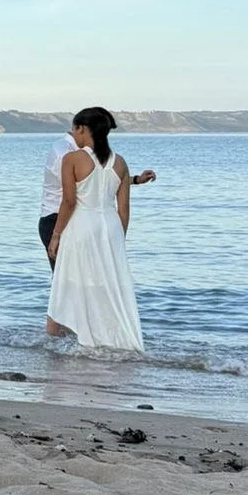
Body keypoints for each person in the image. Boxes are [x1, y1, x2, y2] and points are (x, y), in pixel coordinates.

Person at [46, 107, 144, 352]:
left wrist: (56, 235)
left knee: (69, 282)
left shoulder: (72, 159)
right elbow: (124, 209)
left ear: (82, 130)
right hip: (110, 226)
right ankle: (111, 338)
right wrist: (119, 239)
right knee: (108, 284)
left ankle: (61, 341)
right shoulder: (120, 162)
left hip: (81, 225)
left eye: (75, 129)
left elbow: (68, 202)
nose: (73, 134)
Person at [39, 123, 155, 266]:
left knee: (81, 278)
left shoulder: (83, 154)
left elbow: (99, 179)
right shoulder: (64, 152)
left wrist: (136, 179)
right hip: (56, 219)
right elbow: (79, 189)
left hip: (74, 219)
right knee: (66, 281)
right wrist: (56, 235)